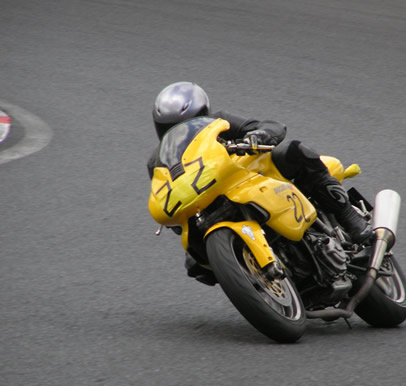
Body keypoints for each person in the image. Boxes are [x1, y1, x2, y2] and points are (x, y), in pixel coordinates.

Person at [147, 82, 372, 282]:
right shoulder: (157, 161)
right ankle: (249, 276)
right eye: (169, 128)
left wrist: (260, 134)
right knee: (195, 264)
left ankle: (348, 216)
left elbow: (272, 126)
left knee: (294, 151)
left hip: (251, 175)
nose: (179, 132)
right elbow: (164, 191)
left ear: (203, 114)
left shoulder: (220, 122)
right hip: (206, 199)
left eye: (187, 123)